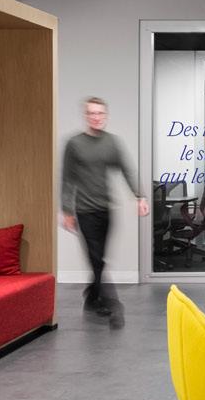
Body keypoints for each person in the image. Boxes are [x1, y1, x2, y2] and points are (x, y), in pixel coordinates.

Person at [60, 95, 148, 328]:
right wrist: (67, 210)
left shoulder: (112, 143)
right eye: (92, 113)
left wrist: (139, 196)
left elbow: (127, 170)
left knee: (98, 259)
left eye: (100, 113)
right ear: (86, 116)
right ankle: (113, 305)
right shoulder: (74, 144)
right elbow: (67, 179)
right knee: (97, 257)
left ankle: (91, 295)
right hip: (84, 210)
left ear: (105, 116)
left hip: (106, 209)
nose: (96, 117)